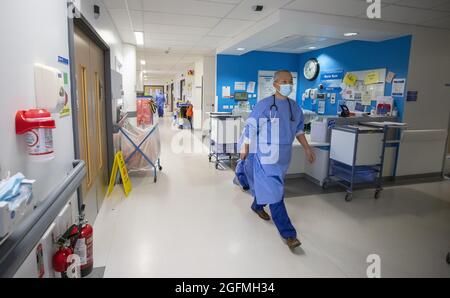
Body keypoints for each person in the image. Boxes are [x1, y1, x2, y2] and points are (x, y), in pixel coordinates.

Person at [239, 70, 316, 250]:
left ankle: (257, 205)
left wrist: (307, 147)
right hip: (265, 156)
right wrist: (245, 146)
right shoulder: (264, 105)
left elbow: (298, 130)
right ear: (275, 84)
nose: (288, 84)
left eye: (290, 81)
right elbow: (250, 127)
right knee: (276, 193)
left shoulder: (294, 107)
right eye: (283, 81)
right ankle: (288, 234)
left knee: (272, 187)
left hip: (283, 157)